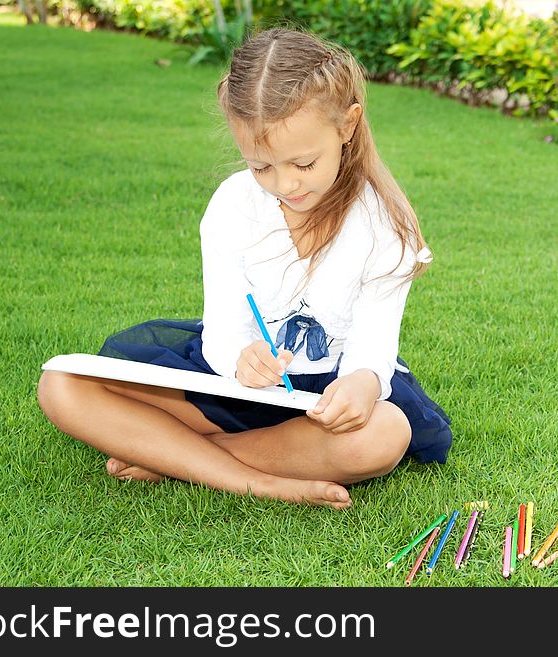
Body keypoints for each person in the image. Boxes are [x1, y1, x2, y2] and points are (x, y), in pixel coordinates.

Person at [37, 27, 452, 510]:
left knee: (382, 436)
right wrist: (240, 357)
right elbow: (223, 330)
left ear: (348, 126)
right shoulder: (234, 204)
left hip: (325, 402)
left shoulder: (384, 223)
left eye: (303, 163)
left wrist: (362, 383)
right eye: (262, 167)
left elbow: (373, 348)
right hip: (232, 389)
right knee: (62, 385)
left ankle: (176, 458)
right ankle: (262, 480)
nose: (284, 183)